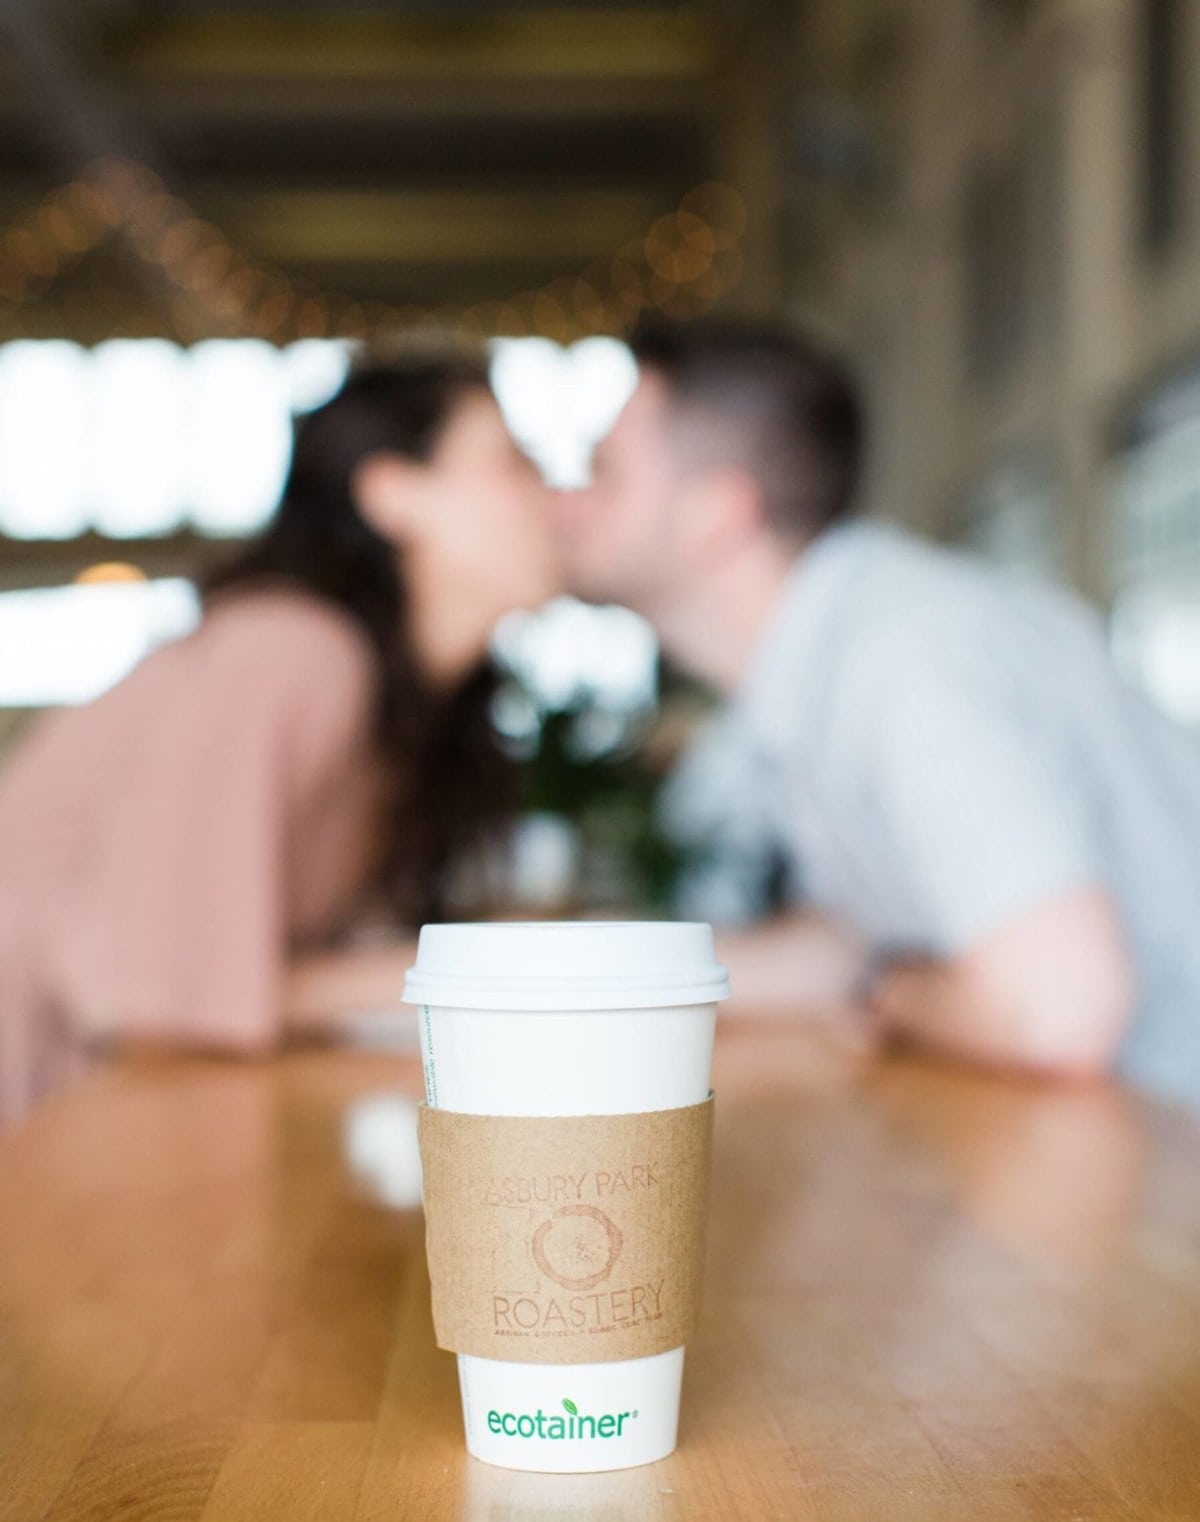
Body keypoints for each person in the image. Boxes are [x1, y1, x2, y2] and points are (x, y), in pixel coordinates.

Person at [558, 318, 1200, 1103]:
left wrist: (888, 992)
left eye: (604, 472)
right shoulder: (830, 652)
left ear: (717, 514)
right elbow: (839, 947)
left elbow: (1060, 1014)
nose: (567, 501)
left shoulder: (898, 659)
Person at [0, 343, 558, 1127]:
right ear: (394, 495)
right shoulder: (294, 649)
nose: (555, 496)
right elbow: (168, 998)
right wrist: (488, 976)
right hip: (46, 1107)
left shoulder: (400, 700)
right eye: (514, 462)